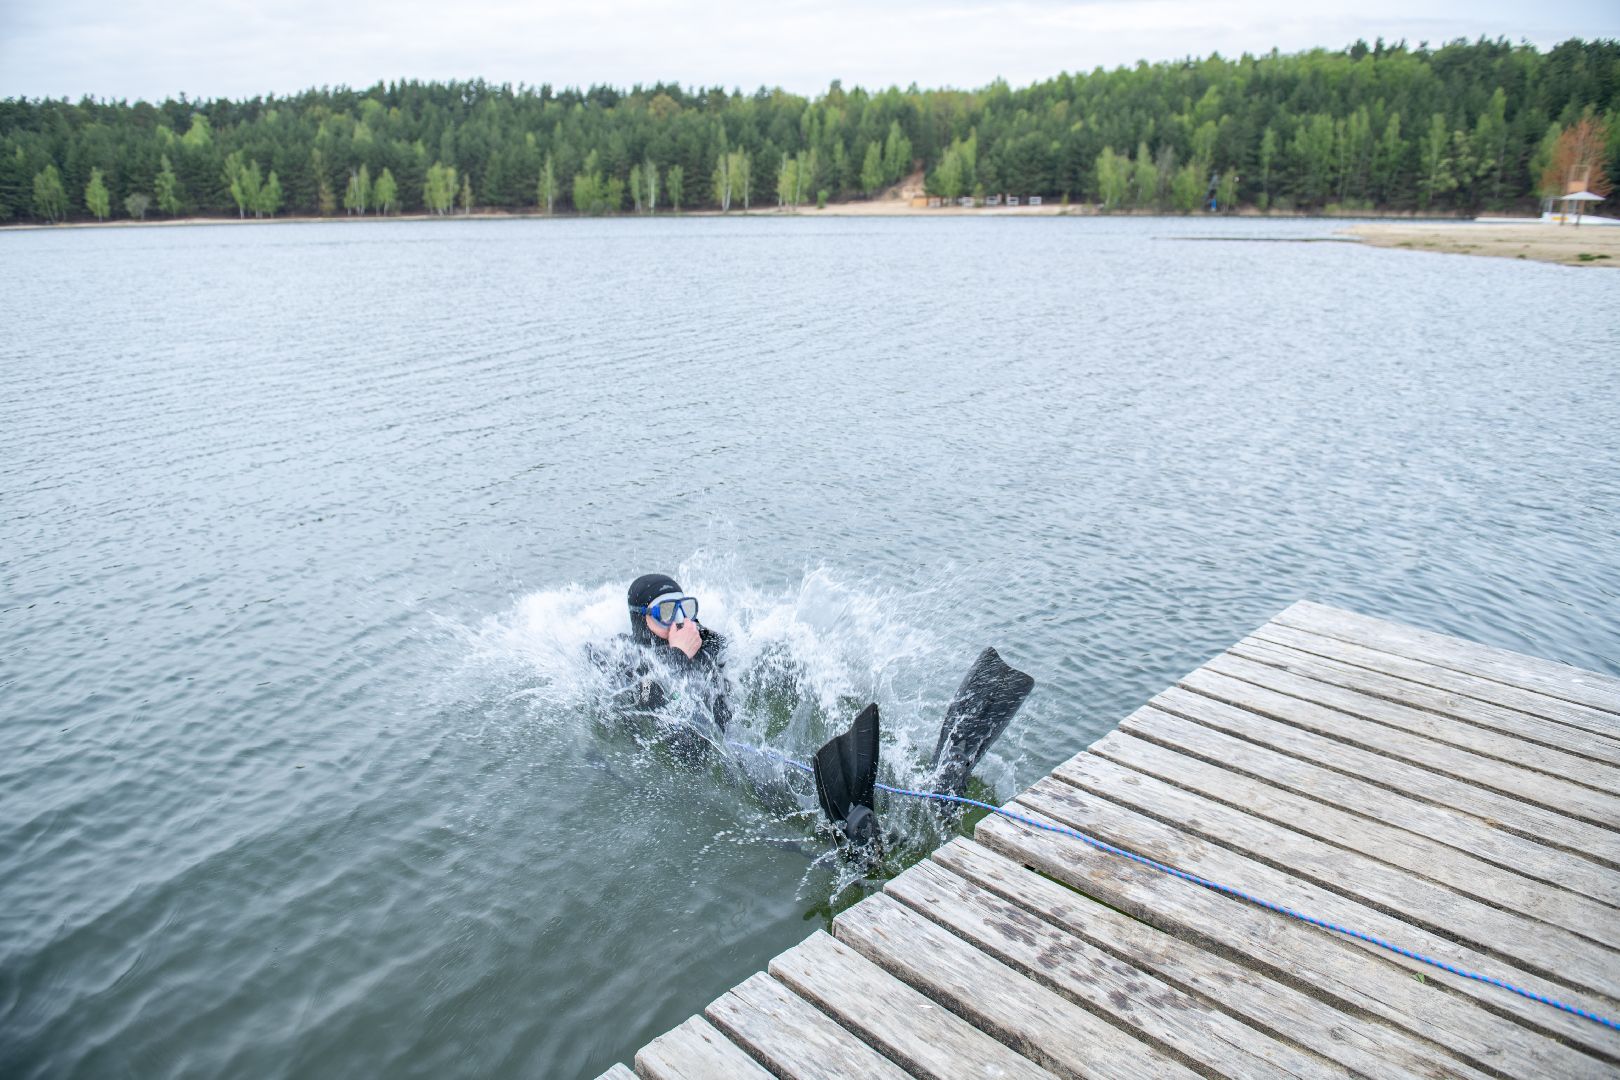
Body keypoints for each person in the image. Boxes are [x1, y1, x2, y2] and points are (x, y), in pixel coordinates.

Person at [616, 573, 732, 734]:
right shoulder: (630, 659)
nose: (679, 620)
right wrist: (679, 656)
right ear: (642, 619)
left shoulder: (699, 644)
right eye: (666, 612)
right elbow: (647, 709)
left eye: (684, 609)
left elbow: (724, 718)